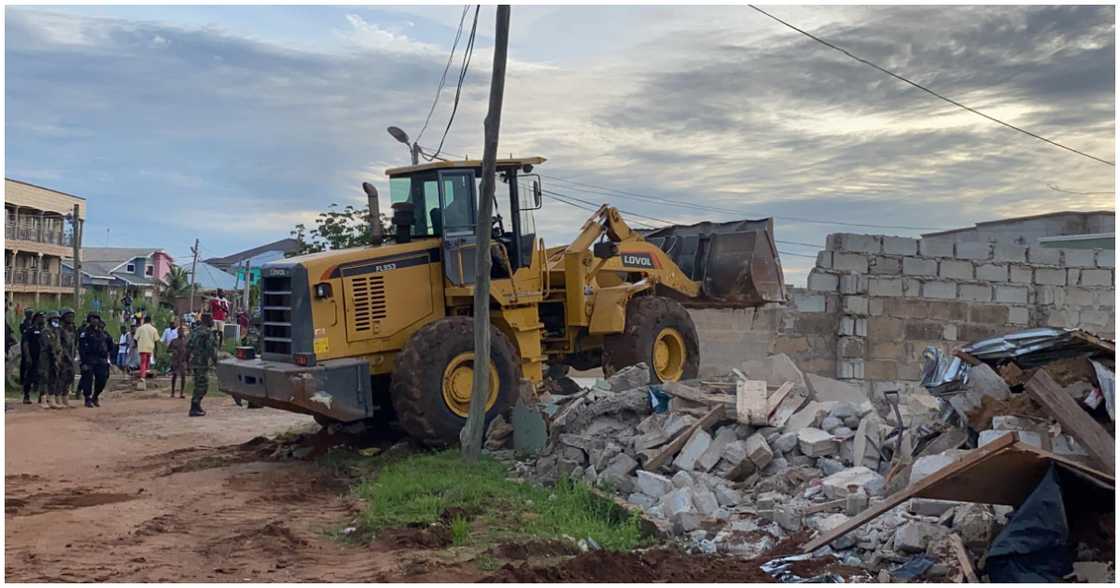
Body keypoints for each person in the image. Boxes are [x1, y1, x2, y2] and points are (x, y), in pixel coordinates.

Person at [187, 313, 218, 416]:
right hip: (202, 362)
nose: (213, 322)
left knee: (198, 384)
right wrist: (215, 361)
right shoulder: (208, 333)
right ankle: (194, 407)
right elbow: (211, 349)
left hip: (194, 361)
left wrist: (187, 361)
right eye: (211, 319)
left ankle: (196, 406)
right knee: (203, 385)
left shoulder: (195, 331)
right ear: (207, 320)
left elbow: (188, 346)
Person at [79, 315, 114, 407]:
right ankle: (87, 398)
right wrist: (83, 362)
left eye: (97, 319)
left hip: (101, 359)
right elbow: (81, 348)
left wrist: (108, 356)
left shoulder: (103, 333)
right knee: (87, 380)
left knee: (102, 379)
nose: (95, 320)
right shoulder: (85, 333)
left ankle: (95, 396)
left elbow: (111, 344)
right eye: (92, 318)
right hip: (89, 359)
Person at [54, 308, 78, 408]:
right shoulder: (59, 329)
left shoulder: (72, 329)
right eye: (69, 316)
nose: (71, 318)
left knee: (69, 378)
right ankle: (58, 398)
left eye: (72, 316)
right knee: (61, 378)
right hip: (62, 358)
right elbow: (59, 345)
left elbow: (74, 344)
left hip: (71, 357)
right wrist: (64, 355)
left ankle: (65, 398)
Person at [38, 311, 59, 408]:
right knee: (44, 377)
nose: (56, 321)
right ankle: (43, 400)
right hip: (45, 357)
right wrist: (54, 354)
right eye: (54, 319)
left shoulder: (56, 332)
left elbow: (58, 345)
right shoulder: (45, 331)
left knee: (53, 377)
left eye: (57, 319)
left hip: (54, 358)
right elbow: (48, 345)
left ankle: (51, 400)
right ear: (50, 320)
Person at [22, 311, 44, 404]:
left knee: (43, 377)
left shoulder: (44, 330)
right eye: (41, 317)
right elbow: (25, 344)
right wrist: (27, 356)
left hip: (42, 358)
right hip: (32, 357)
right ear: (36, 318)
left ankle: (42, 397)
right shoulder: (30, 330)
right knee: (29, 376)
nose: (43, 319)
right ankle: (26, 396)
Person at [135, 316, 159, 380]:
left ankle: (142, 376)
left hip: (142, 348)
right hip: (150, 348)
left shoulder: (140, 328)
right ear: (150, 321)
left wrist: (137, 345)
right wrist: (156, 350)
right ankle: (146, 373)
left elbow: (135, 339)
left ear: (144, 321)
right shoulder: (154, 329)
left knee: (143, 362)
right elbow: (156, 341)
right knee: (148, 361)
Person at [169, 324, 189, 398]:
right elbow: (168, 350)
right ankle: (172, 392)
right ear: (177, 332)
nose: (181, 333)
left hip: (183, 361)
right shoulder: (174, 341)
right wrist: (173, 351)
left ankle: (182, 393)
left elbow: (189, 352)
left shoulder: (186, 341)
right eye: (180, 331)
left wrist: (188, 362)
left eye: (182, 331)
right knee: (174, 375)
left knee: (183, 376)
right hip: (175, 360)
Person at [18, 308, 34, 402]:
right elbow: (23, 333)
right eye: (28, 313)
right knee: (24, 367)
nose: (30, 315)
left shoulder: (34, 323)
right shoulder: (23, 323)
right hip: (25, 345)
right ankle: (23, 386)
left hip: (33, 347)